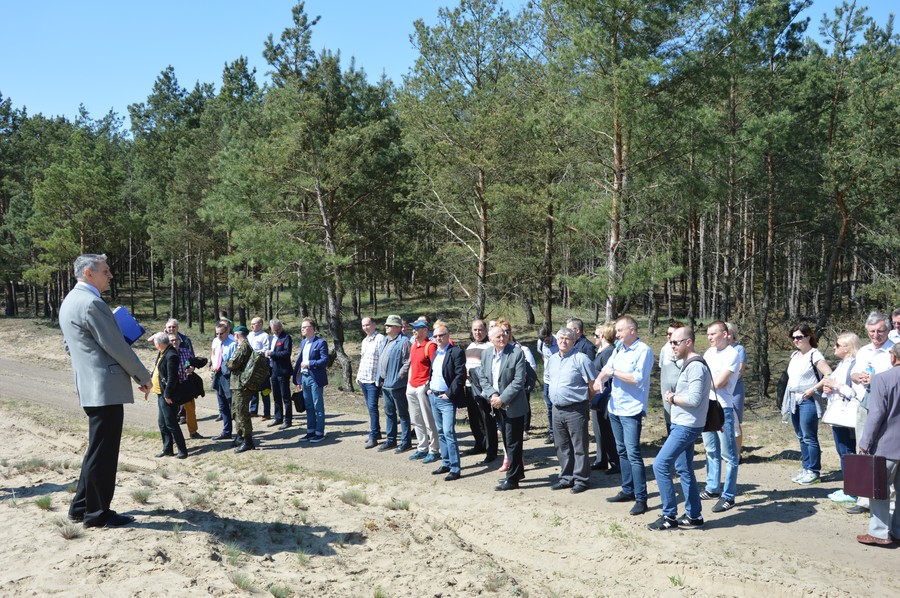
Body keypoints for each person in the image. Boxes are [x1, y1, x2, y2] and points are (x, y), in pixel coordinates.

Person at [60, 254, 152, 528]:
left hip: (90, 385)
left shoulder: (70, 301)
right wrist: (143, 375)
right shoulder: (91, 303)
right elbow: (117, 347)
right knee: (104, 452)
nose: (110, 275)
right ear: (88, 273)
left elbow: (70, 346)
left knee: (97, 449)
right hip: (104, 387)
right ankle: (97, 513)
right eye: (105, 271)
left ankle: (80, 507)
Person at [648, 325, 711, 530]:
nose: (671, 345)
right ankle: (694, 515)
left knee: (660, 465)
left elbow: (693, 399)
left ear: (688, 342)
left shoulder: (695, 366)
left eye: (675, 342)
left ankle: (669, 516)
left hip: (686, 425)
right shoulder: (687, 363)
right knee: (684, 468)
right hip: (682, 423)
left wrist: (673, 398)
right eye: (671, 342)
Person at [596, 316, 654, 515]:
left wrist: (613, 372)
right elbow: (606, 369)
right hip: (615, 407)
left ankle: (641, 498)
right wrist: (600, 379)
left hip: (631, 409)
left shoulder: (643, 351)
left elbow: (637, 378)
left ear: (632, 330)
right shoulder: (619, 348)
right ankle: (627, 489)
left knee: (633, 453)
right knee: (621, 451)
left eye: (620, 330)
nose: (617, 334)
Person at [847, 311, 895, 514]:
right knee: (863, 449)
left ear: (889, 330)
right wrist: (857, 377)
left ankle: (890, 500)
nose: (876, 335)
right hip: (864, 404)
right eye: (872, 331)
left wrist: (875, 380)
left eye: (881, 331)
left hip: (888, 409)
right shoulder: (864, 351)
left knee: (886, 455)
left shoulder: (894, 350)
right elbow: (852, 374)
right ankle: (864, 498)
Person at [855, 343, 900, 547]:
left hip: (887, 445)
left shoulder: (883, 379)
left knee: (880, 489)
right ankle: (898, 529)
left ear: (892, 357)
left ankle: (879, 532)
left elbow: (876, 415)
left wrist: (865, 442)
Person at [546, 328, 597, 494]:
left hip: (576, 409)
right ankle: (566, 477)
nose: (563, 341)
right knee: (562, 446)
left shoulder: (581, 359)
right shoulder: (552, 359)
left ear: (574, 341)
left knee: (579, 446)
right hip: (557, 409)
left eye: (567, 338)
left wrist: (584, 401)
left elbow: (593, 385)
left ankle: (581, 480)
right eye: (560, 338)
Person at [781, 324, 833, 485]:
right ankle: (806, 467)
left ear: (808, 337)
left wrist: (813, 389)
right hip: (793, 399)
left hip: (808, 399)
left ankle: (814, 470)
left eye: (799, 337)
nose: (796, 340)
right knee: (800, 436)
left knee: (809, 436)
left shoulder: (814, 355)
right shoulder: (794, 355)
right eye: (794, 337)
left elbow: (829, 374)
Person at [480, 325, 528, 491]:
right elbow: (483, 377)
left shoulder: (516, 353)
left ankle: (512, 479)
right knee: (507, 442)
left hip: (513, 405)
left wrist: (502, 398)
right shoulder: (486, 354)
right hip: (496, 403)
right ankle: (517, 472)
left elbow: (518, 381)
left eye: (505, 335)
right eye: (498, 336)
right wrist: (493, 395)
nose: (502, 338)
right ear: (491, 339)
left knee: (513, 442)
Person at [701, 321, 743, 512]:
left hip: (723, 407)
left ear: (725, 334)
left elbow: (718, 383)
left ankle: (729, 495)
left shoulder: (733, 354)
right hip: (706, 406)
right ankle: (712, 487)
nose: (710, 337)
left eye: (713, 333)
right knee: (711, 449)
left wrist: (701, 382)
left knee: (729, 454)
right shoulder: (709, 353)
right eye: (708, 334)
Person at [822, 332, 861, 503]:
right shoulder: (842, 364)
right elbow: (835, 388)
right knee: (842, 451)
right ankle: (850, 487)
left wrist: (835, 385)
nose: (834, 347)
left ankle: (853, 490)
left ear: (848, 348)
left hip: (847, 416)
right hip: (838, 414)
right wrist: (828, 390)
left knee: (848, 452)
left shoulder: (854, 365)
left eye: (837, 345)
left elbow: (853, 392)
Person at [428, 322, 468, 481]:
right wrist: (429, 388)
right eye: (436, 336)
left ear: (448, 336)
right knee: (441, 432)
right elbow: (434, 373)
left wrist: (449, 394)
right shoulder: (436, 353)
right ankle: (445, 463)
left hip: (446, 399)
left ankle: (455, 468)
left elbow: (460, 376)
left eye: (441, 335)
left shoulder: (456, 352)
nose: (438, 338)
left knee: (449, 432)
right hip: (433, 397)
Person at [406, 320, 441, 463]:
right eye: (413, 328)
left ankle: (434, 449)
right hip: (412, 386)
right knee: (416, 419)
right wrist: (409, 383)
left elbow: (435, 367)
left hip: (423, 387)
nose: (413, 330)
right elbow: (412, 366)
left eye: (417, 328)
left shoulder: (430, 346)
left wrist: (427, 384)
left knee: (428, 420)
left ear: (425, 331)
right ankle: (422, 448)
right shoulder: (414, 345)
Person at [377, 315, 412, 452]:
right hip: (385, 384)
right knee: (389, 413)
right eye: (386, 325)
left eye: (390, 325)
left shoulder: (404, 341)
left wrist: (399, 376)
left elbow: (407, 361)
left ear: (398, 327)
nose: (386, 327)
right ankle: (391, 440)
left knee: (402, 414)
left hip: (397, 385)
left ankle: (406, 442)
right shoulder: (385, 340)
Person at [293, 317, 329, 443]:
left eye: (305, 327)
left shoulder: (321, 342)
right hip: (304, 378)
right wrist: (298, 380)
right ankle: (310, 431)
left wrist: (310, 363)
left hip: (315, 378)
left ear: (312, 328)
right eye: (301, 327)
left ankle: (319, 432)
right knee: (308, 406)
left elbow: (325, 361)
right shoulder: (303, 343)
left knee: (317, 405)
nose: (302, 329)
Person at [463, 319, 495, 461]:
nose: (477, 332)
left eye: (480, 329)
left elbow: (489, 368)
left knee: (486, 419)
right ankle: (479, 444)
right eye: (475, 330)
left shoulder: (489, 347)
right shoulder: (470, 346)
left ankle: (491, 449)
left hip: (483, 389)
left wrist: (474, 372)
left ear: (486, 330)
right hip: (469, 387)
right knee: (474, 418)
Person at [591, 322, 618, 473]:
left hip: (605, 397)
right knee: (600, 429)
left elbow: (607, 376)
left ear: (603, 336)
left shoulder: (609, 352)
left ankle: (615, 462)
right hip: (598, 396)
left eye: (596, 335)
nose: (594, 338)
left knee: (608, 431)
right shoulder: (603, 351)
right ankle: (602, 459)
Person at [227, 326, 256, 452]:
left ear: (237, 335)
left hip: (241, 385)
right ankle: (240, 437)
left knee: (242, 413)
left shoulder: (243, 346)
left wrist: (227, 362)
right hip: (237, 384)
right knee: (236, 411)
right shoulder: (243, 345)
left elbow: (233, 363)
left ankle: (248, 441)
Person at [167, 331, 201, 440]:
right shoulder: (165, 354)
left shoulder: (186, 352)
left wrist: (192, 368)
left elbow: (192, 363)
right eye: (171, 341)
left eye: (176, 340)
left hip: (186, 385)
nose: (174, 342)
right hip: (173, 387)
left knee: (190, 410)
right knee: (172, 413)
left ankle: (193, 432)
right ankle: (173, 435)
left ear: (179, 341)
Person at [357, 316, 384, 448]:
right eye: (363, 326)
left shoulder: (380, 339)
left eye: (367, 325)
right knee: (369, 406)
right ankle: (377, 431)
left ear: (374, 324)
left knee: (373, 407)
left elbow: (382, 359)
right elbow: (362, 359)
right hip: (363, 378)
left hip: (374, 380)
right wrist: (358, 375)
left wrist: (381, 378)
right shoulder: (364, 341)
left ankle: (373, 436)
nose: (365, 328)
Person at [210, 321, 237, 440]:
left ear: (227, 332)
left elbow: (234, 362)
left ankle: (241, 433)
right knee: (223, 406)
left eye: (221, 334)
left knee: (233, 406)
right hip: (218, 376)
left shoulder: (233, 344)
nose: (219, 336)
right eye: (217, 334)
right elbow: (214, 355)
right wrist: (212, 365)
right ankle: (227, 431)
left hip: (229, 378)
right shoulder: (216, 342)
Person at [658, 321, 685, 436]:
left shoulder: (685, 350)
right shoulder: (664, 349)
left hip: (681, 393)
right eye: (667, 333)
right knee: (669, 418)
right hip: (667, 391)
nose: (668, 336)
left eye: (671, 333)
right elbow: (662, 367)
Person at [265, 319, 293, 429]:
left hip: (283, 371)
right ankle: (278, 417)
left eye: (277, 329)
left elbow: (286, 353)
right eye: (273, 330)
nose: (276, 332)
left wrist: (272, 354)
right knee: (276, 396)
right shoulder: (271, 338)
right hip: (273, 371)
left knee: (285, 396)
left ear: (281, 327)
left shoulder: (286, 337)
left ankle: (288, 420)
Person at [725, 322, 747, 458]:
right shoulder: (718, 350)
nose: (725, 336)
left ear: (732, 335)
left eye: (727, 333)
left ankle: (737, 453)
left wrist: (725, 383)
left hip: (735, 390)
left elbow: (740, 370)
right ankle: (726, 450)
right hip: (720, 391)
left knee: (736, 422)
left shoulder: (739, 349)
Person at [537, 325, 559, 445]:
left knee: (558, 407)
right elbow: (543, 356)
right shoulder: (540, 344)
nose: (546, 342)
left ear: (551, 335)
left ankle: (560, 434)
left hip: (558, 381)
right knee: (549, 407)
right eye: (544, 341)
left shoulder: (559, 341)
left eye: (548, 340)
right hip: (547, 380)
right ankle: (552, 433)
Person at [247, 316, 272, 419]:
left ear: (260, 324)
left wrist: (256, 354)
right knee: (252, 389)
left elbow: (267, 349)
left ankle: (267, 413)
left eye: (255, 323)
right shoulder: (249, 335)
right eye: (251, 324)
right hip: (250, 367)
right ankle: (253, 410)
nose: (252, 325)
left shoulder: (265, 336)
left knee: (265, 390)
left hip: (262, 367)